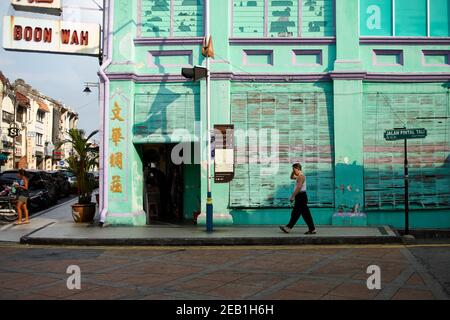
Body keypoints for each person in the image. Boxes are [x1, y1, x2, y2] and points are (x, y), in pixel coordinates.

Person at [280, 163, 316, 234]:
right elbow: (291, 177)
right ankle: (312, 229)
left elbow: (299, 187)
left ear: (297, 169)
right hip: (300, 197)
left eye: (294, 169)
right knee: (302, 214)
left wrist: (293, 196)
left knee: (297, 213)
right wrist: (293, 171)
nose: (293, 171)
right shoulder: (299, 176)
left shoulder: (301, 176)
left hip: (301, 196)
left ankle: (288, 227)